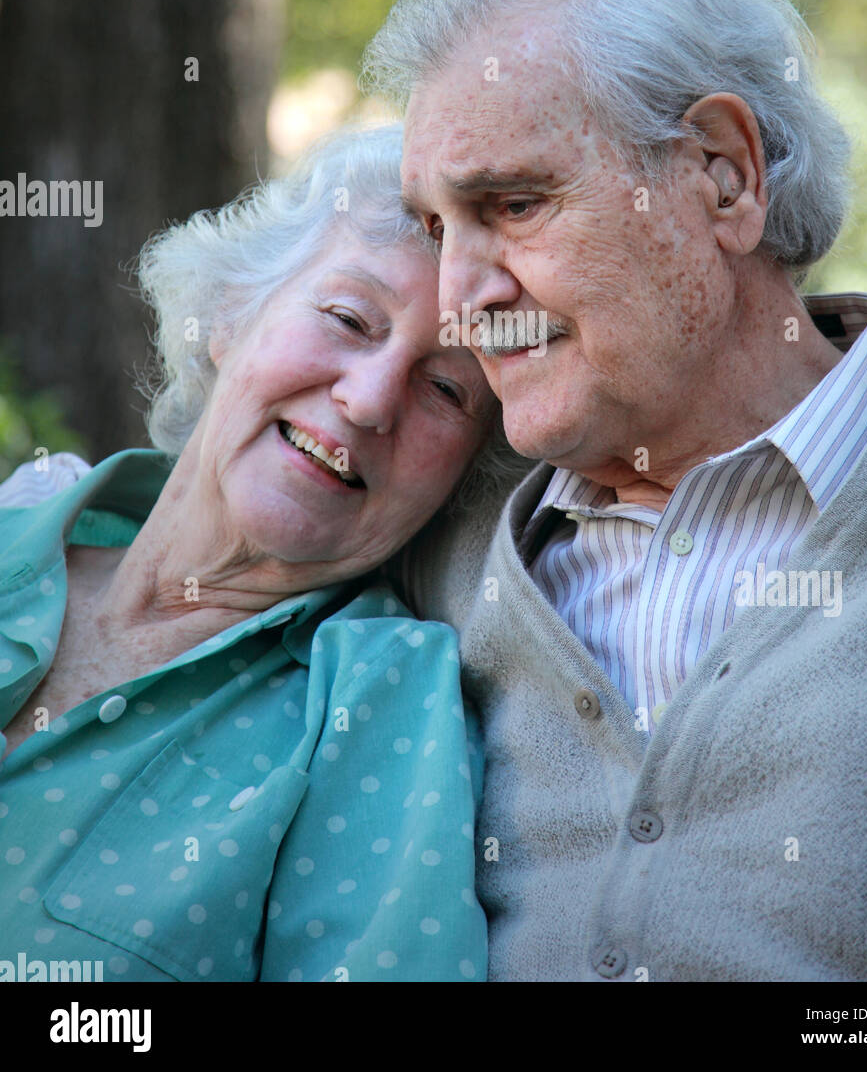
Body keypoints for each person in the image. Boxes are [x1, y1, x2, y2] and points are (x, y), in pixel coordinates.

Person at [362, 0, 867, 982]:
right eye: (436, 230)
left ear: (723, 179)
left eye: (512, 205)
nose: (459, 296)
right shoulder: (436, 524)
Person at [0, 123, 520, 984]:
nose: (367, 400)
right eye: (350, 318)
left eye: (445, 388)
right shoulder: (22, 528)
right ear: (230, 315)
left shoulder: (373, 697)